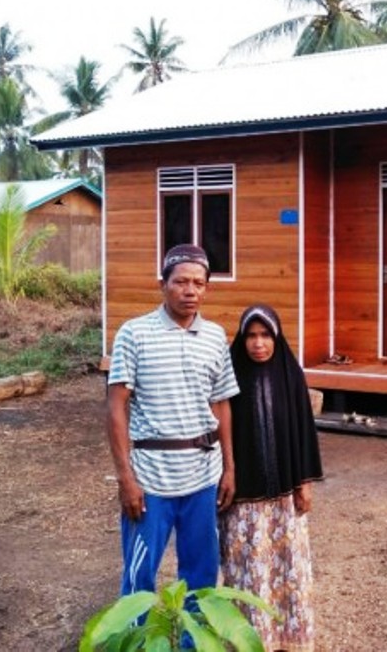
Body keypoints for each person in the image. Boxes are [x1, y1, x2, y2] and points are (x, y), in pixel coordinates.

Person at [106, 243, 239, 598]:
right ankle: (136, 642)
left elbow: (222, 403)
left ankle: (192, 643)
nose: (190, 290)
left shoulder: (214, 337)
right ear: (163, 284)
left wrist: (229, 468)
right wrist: (126, 478)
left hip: (203, 475)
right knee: (140, 574)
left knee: (201, 573)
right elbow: (116, 407)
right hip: (151, 477)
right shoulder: (134, 334)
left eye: (199, 283)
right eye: (181, 281)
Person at [220, 304, 324, 652]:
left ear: (276, 338)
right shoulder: (230, 374)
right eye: (251, 335)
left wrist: (304, 483)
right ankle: (251, 639)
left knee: (286, 566)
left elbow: (303, 431)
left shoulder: (289, 375)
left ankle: (287, 638)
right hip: (243, 500)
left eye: (265, 335)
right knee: (248, 569)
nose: (258, 343)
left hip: (283, 500)